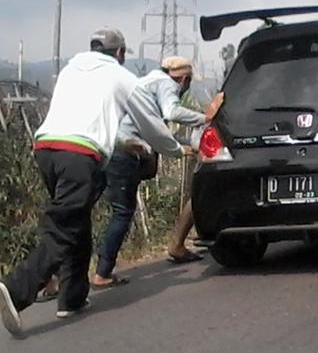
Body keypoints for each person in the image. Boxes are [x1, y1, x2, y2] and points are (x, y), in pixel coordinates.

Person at [0, 27, 190, 336]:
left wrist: (117, 143)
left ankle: (72, 297)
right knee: (64, 227)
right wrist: (176, 149)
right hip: (78, 156)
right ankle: (16, 289)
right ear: (119, 53)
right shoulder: (121, 77)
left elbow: (86, 119)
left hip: (46, 149)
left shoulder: (70, 70)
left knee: (76, 221)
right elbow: (152, 126)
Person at [92, 56, 210, 289]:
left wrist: (186, 145)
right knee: (123, 212)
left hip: (106, 148)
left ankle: (59, 273)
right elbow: (172, 111)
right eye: (186, 84)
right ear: (184, 79)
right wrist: (204, 118)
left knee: (83, 208)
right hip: (126, 151)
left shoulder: (144, 84)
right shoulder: (167, 85)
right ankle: (102, 272)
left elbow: (158, 133)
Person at [167, 91, 225, 262]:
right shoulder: (218, 96)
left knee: (200, 196)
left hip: (202, 143)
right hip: (206, 145)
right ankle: (177, 242)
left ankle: (180, 241)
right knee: (199, 196)